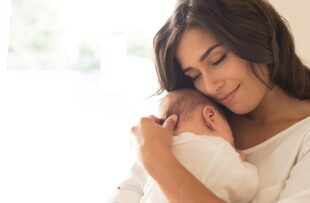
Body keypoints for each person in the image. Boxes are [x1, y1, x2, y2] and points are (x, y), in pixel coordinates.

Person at [131, 0, 310, 202]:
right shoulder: (196, 121)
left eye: (217, 60)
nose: (209, 86)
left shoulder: (303, 139)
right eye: (194, 75)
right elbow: (128, 192)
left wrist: (156, 160)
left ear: (258, 38)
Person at [108, 89, 258, 203]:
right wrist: (242, 162)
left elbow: (127, 190)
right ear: (210, 116)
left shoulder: (153, 152)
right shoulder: (220, 151)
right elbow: (248, 187)